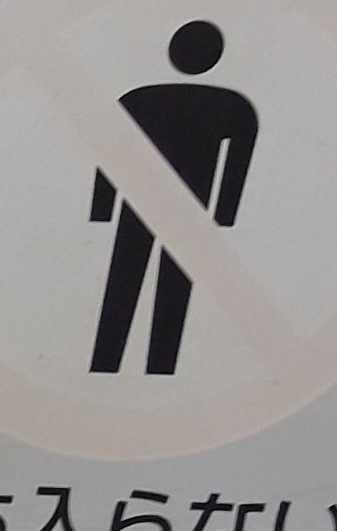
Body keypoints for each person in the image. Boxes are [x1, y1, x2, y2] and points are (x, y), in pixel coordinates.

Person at [88, 19, 257, 376]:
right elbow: (237, 165)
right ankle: (156, 366)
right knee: (171, 289)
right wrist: (223, 214)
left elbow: (110, 153)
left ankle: (108, 362)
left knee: (125, 282)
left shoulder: (137, 99)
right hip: (186, 211)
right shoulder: (232, 106)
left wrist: (103, 207)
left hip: (143, 206)